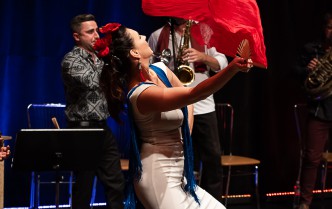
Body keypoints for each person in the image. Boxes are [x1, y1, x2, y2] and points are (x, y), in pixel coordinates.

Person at [95, 22, 252, 209]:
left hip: (178, 176)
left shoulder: (159, 69)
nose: (145, 38)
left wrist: (185, 137)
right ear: (134, 53)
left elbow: (190, 102)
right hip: (157, 179)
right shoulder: (141, 94)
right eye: (139, 37)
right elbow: (195, 94)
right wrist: (232, 68)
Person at [148, 17, 227, 200]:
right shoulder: (157, 35)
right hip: (173, 106)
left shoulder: (204, 30)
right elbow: (150, 68)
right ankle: (179, 201)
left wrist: (203, 57)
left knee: (212, 158)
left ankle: (212, 201)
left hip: (204, 105)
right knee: (177, 160)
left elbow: (222, 63)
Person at [61, 14, 125, 209]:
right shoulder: (70, 60)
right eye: (90, 32)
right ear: (77, 36)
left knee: (116, 182)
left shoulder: (101, 57)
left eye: (97, 30)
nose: (96, 35)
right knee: (84, 186)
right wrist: (107, 58)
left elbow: (118, 82)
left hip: (102, 129)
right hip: (81, 130)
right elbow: (92, 82)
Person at [294, 12, 332, 209]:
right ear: (324, 28)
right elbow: (295, 73)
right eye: (330, 27)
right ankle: (305, 202)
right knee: (312, 158)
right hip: (319, 109)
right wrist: (308, 69)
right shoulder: (312, 49)